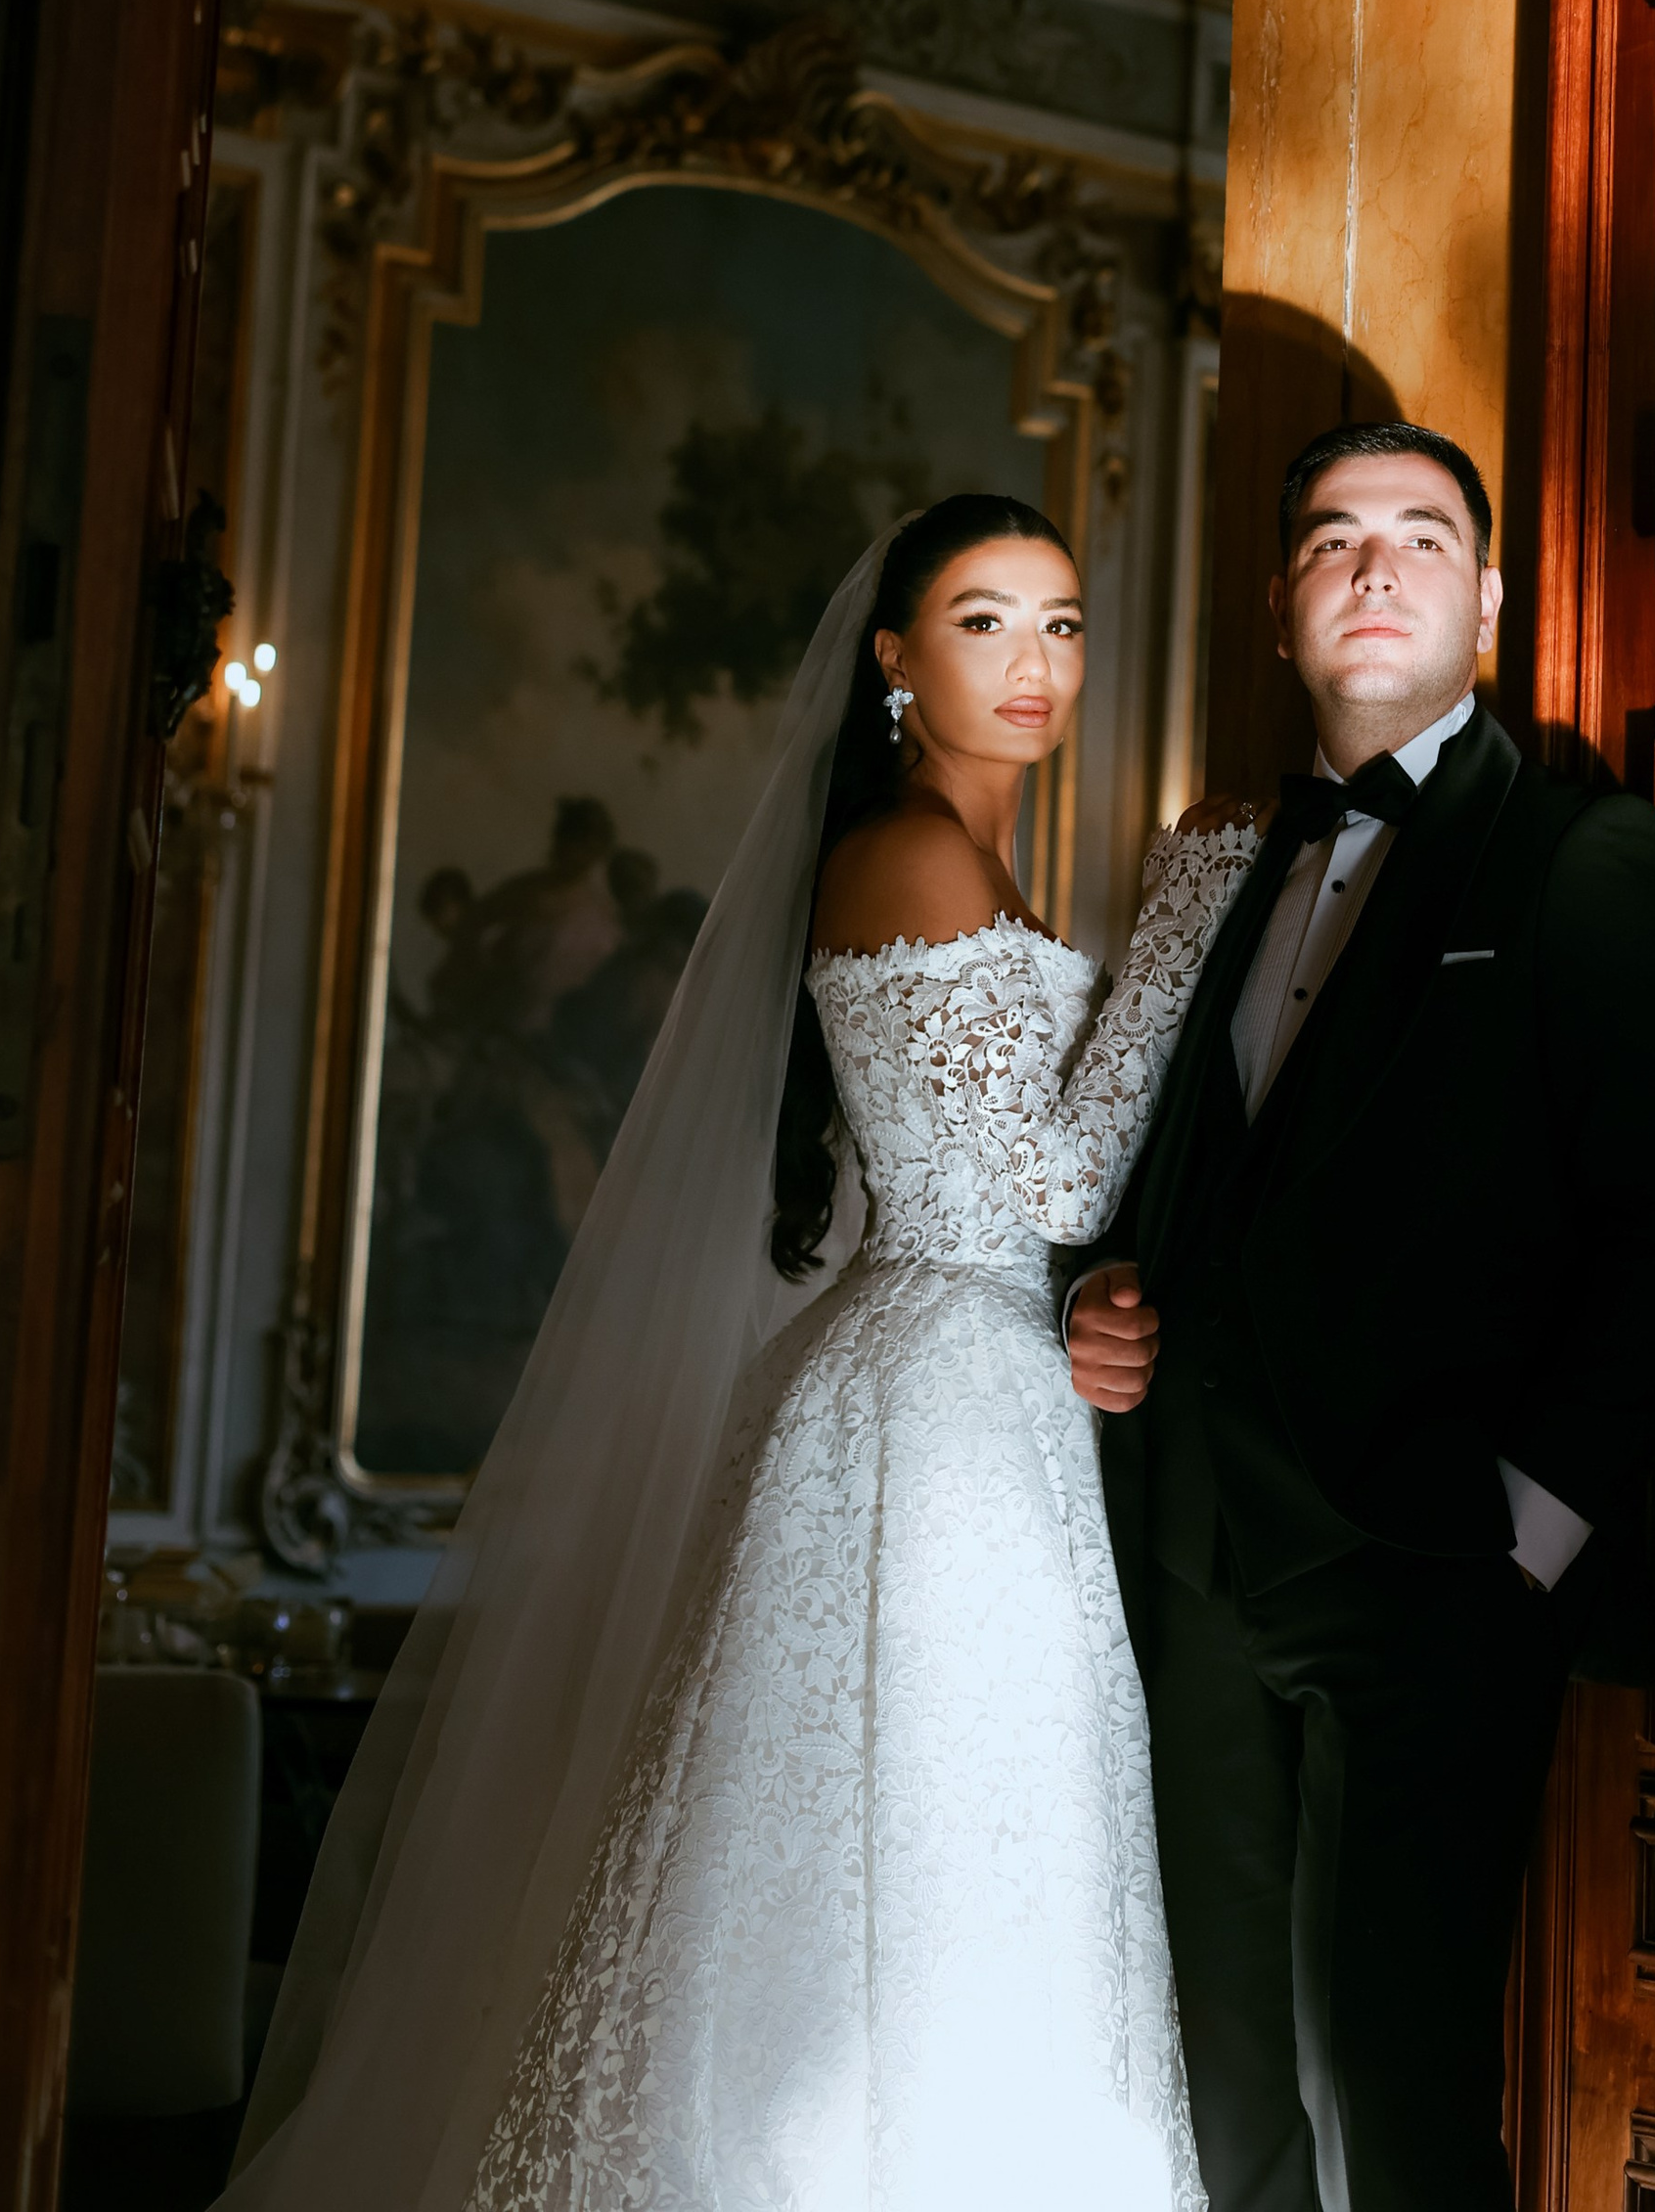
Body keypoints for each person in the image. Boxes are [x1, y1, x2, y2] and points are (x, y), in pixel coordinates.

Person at [223, 492, 1260, 2212]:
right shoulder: (910, 853)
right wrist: (1194, 897)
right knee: (905, 1867)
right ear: (895, 660)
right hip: (936, 1427)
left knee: (968, 1865)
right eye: (986, 621)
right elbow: (1062, 1174)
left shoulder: (970, 864)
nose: (1035, 663)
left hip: (979, 1384)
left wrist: (1091, 1296)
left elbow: (1031, 1195)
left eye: (1063, 624)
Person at [1063, 422, 1655, 2212]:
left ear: (1487, 599)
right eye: (1336, 539)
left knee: (1394, 2087)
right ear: (1286, 600)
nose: (1376, 568)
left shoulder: (1574, 852)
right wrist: (1100, 1294)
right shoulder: (1215, 862)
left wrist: (1526, 1533)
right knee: (1225, 2088)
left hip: (1429, 1572)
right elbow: (1136, 1167)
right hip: (1199, 1561)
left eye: (1421, 538)